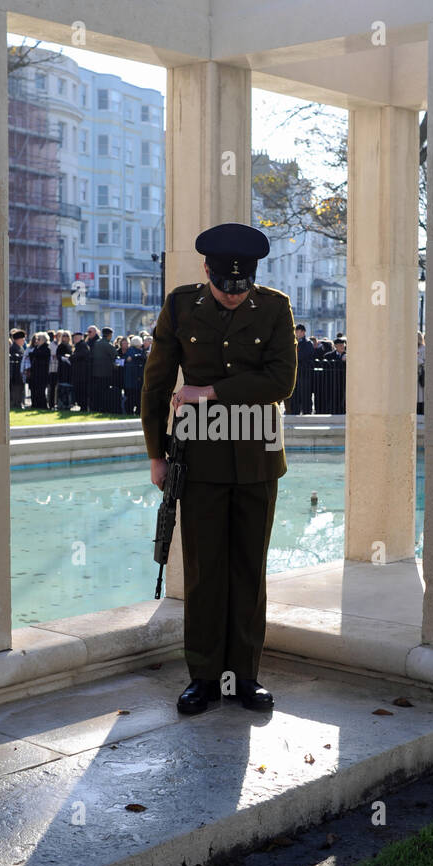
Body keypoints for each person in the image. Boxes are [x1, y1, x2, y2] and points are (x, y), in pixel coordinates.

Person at [140, 221, 297, 716]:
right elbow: (156, 381)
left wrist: (208, 392)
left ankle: (244, 677)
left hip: (257, 454)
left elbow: (282, 380)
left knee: (249, 568)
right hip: (200, 458)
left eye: (242, 286)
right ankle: (204, 677)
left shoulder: (274, 307)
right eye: (225, 286)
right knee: (206, 571)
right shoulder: (181, 306)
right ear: (207, 272)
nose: (233, 296)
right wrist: (155, 453)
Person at [90, 327, 116, 414]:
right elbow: (114, 354)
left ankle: (96, 407)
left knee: (97, 392)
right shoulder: (108, 345)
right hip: (106, 372)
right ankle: (104, 408)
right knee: (105, 392)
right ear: (109, 335)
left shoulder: (96, 343)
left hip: (95, 371)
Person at [289, 323, 314, 414]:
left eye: (298, 331)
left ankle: (307, 411)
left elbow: (303, 355)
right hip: (295, 373)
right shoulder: (292, 342)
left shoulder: (308, 343)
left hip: (304, 373)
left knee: (305, 393)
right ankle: (294, 411)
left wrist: (293, 357)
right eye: (295, 331)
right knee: (294, 394)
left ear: (303, 332)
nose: (296, 333)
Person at [27, 332, 51, 410]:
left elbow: (39, 356)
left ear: (44, 340)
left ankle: (42, 405)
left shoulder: (46, 348)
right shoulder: (37, 348)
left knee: (41, 390)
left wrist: (33, 355)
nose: (37, 340)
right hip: (35, 372)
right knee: (35, 389)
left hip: (42, 373)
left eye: (39, 339)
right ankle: (35, 404)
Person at [123, 335, 146, 415]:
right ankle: (136, 411)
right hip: (135, 379)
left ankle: (130, 411)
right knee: (136, 397)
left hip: (129, 379)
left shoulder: (129, 351)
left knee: (131, 397)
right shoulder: (137, 351)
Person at [55, 329, 74, 410]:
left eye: (67, 336)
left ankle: (68, 404)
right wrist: (64, 357)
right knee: (62, 387)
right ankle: (61, 404)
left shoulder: (71, 346)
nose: (65, 337)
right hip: (62, 368)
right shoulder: (60, 346)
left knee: (69, 387)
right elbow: (58, 356)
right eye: (64, 336)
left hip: (70, 369)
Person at [9, 328, 27, 410]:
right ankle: (15, 403)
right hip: (15, 372)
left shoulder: (21, 348)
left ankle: (19, 402)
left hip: (20, 372)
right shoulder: (13, 348)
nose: (24, 340)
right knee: (16, 389)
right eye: (22, 339)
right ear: (17, 340)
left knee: (20, 388)